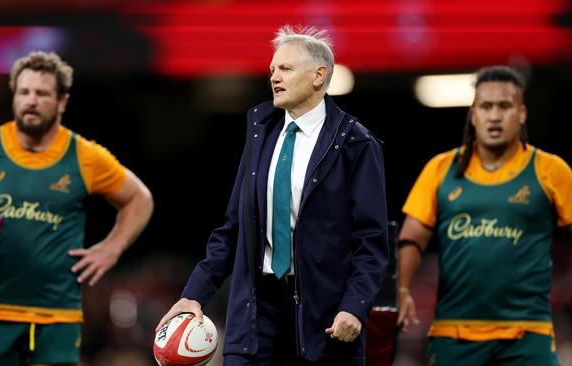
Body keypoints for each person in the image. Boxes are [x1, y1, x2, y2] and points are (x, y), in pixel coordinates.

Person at [157, 25, 389, 365]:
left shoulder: (356, 143)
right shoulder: (260, 131)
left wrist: (354, 307)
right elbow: (233, 227)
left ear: (318, 76)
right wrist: (194, 294)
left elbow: (371, 242)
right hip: (256, 311)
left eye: (286, 68)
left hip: (324, 317)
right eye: (272, 70)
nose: (274, 77)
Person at [0, 51, 154, 366]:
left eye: (42, 93)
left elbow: (139, 198)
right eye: (24, 92)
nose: (31, 101)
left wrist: (112, 248)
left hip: (57, 316)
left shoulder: (85, 156)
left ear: (62, 101)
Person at [396, 65, 572, 365]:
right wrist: (401, 289)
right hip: (454, 335)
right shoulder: (440, 169)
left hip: (528, 335)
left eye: (504, 106)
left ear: (522, 114)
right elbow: (412, 237)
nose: (494, 115)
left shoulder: (552, 170)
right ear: (473, 115)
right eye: (485, 106)